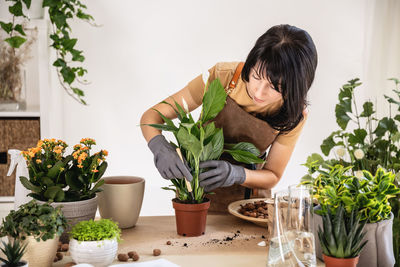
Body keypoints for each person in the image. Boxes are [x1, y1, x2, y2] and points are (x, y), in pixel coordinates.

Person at [140, 24, 318, 212]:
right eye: (256, 76)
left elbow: (272, 175)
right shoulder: (224, 77)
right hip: (197, 197)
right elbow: (152, 116)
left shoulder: (293, 115)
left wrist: (236, 174)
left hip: (249, 205)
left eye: (275, 87)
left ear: (296, 88)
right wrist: (158, 146)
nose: (259, 91)